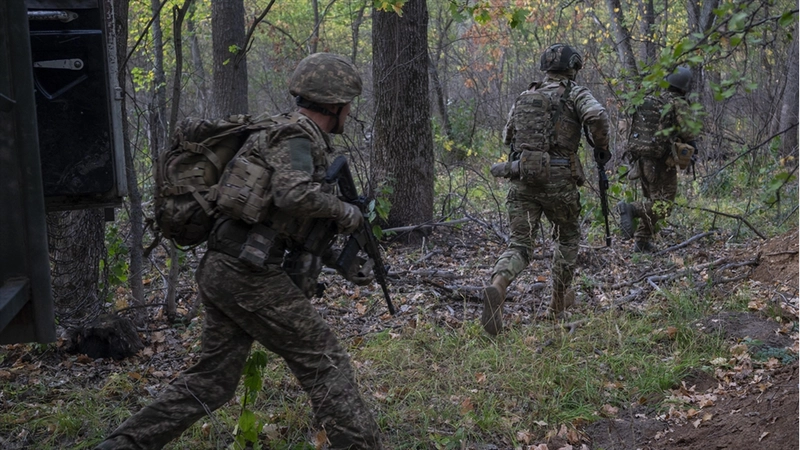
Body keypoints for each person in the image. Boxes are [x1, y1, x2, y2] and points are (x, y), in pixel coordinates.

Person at [95, 53, 383, 449]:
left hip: (226, 268)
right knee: (324, 360)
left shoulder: (285, 134)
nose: (350, 111)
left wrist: (340, 256)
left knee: (212, 381)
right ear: (334, 104)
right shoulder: (296, 136)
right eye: (348, 104)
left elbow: (285, 219)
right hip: (248, 274)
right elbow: (293, 193)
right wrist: (345, 211)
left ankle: (123, 444)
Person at [483, 44, 611, 334]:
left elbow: (508, 136)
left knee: (519, 245)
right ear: (574, 67)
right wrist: (601, 146)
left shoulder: (526, 95)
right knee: (567, 238)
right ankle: (557, 304)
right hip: (558, 180)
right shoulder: (575, 93)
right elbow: (598, 117)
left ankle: (498, 285)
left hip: (522, 178)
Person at [616, 66, 699, 253]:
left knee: (654, 201)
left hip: (642, 159)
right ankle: (631, 209)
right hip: (662, 162)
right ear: (684, 86)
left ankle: (642, 241)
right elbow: (687, 130)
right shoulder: (677, 103)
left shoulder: (655, 100)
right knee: (664, 206)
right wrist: (693, 143)